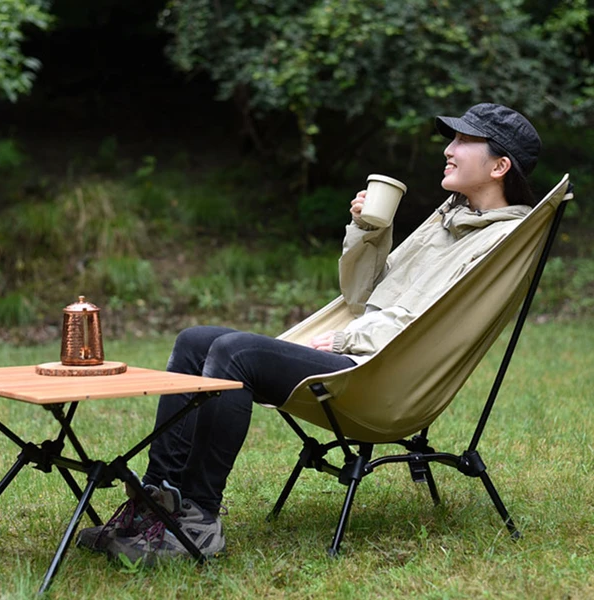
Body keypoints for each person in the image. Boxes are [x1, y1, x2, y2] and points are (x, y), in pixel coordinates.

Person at [76, 103, 541, 565]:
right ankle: (156, 504)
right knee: (195, 340)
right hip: (363, 357)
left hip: (382, 380)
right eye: (452, 139)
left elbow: (429, 325)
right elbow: (360, 296)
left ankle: (197, 520)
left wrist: (343, 341)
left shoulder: (500, 242)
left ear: (499, 166)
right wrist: (368, 230)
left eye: (464, 141)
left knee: (235, 353)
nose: (448, 149)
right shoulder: (448, 219)